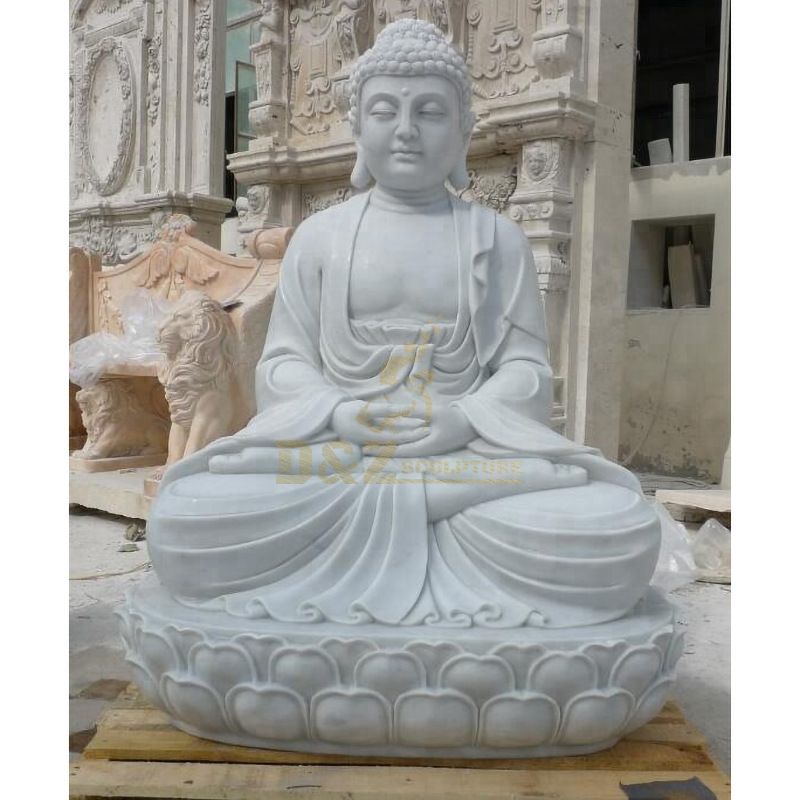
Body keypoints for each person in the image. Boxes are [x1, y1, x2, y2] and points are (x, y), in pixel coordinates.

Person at [148, 19, 660, 630]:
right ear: (359, 127)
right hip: (337, 456)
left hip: (464, 460)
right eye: (386, 110)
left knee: (615, 528)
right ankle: (425, 531)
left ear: (464, 130)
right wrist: (338, 413)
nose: (407, 131)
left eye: (431, 112)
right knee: (186, 516)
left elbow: (526, 370)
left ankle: (408, 534)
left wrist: (462, 417)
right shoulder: (318, 239)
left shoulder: (497, 240)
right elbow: (283, 365)